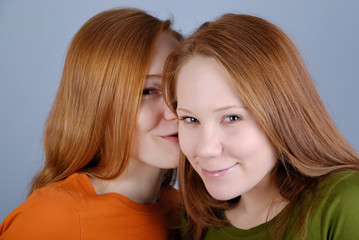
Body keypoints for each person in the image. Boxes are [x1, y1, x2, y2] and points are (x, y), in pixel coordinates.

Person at [163, 13, 359, 239]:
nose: (205, 149)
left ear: (284, 114)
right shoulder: (194, 221)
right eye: (190, 119)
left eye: (232, 118)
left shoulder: (346, 203)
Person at [0, 8, 182, 240]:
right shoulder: (52, 219)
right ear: (98, 103)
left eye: (179, 87)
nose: (176, 110)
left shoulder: (188, 214)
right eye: (147, 91)